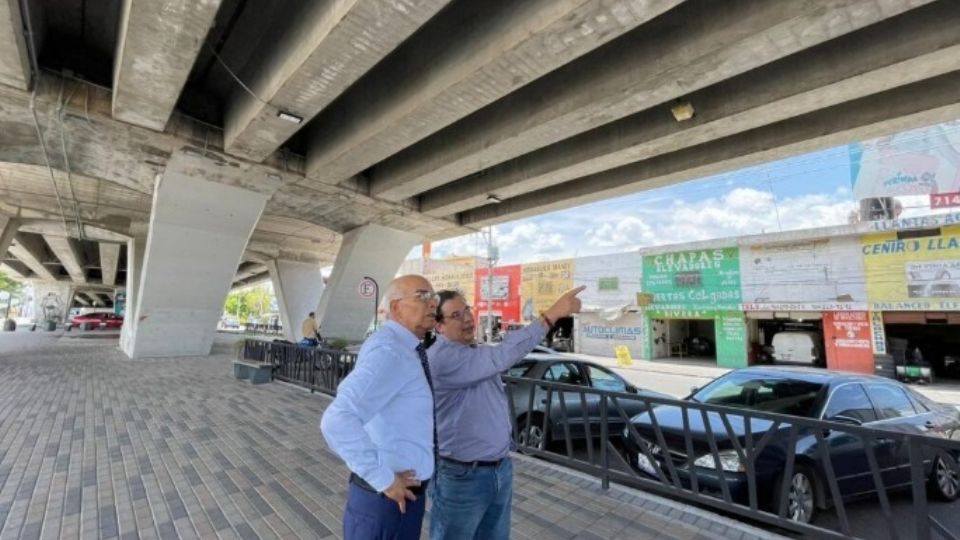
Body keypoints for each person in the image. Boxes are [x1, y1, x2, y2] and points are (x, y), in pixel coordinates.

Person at [427, 285, 585, 540]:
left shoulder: (474, 351)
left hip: (498, 469)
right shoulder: (442, 358)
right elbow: (504, 355)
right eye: (456, 315)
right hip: (462, 477)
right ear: (439, 326)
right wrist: (553, 313)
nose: (467, 318)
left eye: (466, 310)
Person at [319, 275, 440, 540]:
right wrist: (384, 479)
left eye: (434, 297)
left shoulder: (403, 348)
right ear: (396, 307)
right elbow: (337, 420)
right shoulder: (391, 351)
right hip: (386, 502)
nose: (433, 304)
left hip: (398, 500)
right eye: (422, 296)